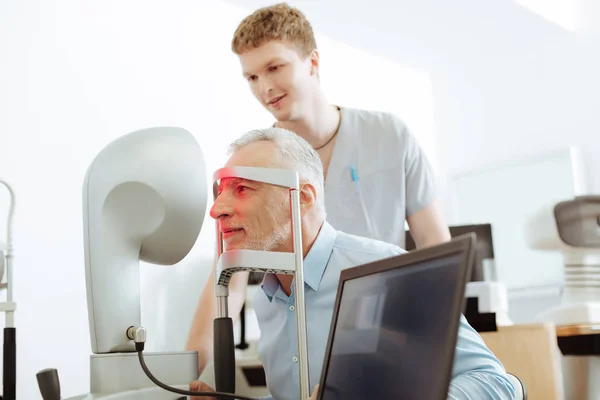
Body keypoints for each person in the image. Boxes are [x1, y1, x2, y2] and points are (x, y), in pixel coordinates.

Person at [186, 2, 451, 373]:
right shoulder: (256, 164)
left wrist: (432, 352)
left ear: (312, 62)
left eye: (274, 68)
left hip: (381, 337)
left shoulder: (390, 137)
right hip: (301, 348)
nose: (265, 88)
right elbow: (227, 282)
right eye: (252, 77)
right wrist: (186, 377)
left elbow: (436, 254)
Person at [189, 128, 515, 400]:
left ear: (303, 197)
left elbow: (495, 383)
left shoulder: (389, 271)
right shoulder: (268, 298)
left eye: (242, 188)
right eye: (221, 192)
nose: (217, 210)